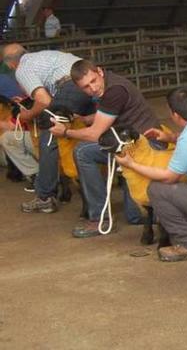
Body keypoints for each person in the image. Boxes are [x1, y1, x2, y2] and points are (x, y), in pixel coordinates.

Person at [52, 59, 161, 238]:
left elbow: (95, 134)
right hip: (128, 142)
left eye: (93, 81)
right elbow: (113, 111)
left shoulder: (114, 91)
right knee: (134, 216)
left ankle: (100, 218)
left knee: (82, 151)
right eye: (86, 87)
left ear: (100, 72)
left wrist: (65, 131)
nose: (92, 89)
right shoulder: (110, 83)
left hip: (144, 145)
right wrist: (90, 118)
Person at [113, 88, 187, 261]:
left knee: (158, 189)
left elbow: (169, 177)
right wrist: (171, 137)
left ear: (175, 115)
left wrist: (131, 164)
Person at [2, 44, 95, 214]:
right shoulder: (44, 55)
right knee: (92, 127)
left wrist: (27, 115)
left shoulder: (22, 69)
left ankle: (45, 196)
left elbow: (44, 101)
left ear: (10, 64)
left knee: (49, 137)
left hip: (70, 86)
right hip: (90, 77)